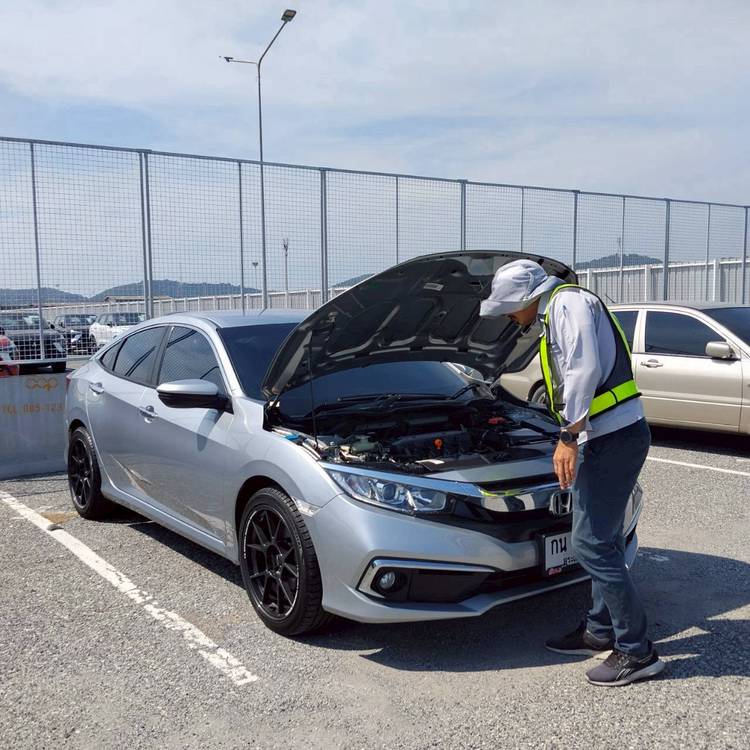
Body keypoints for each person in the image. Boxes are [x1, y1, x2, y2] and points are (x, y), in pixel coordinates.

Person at [479, 258, 664, 687]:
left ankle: (637, 651)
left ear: (527, 297)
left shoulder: (568, 304)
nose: (508, 317)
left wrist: (567, 435)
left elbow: (584, 369)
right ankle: (599, 631)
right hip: (604, 437)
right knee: (602, 538)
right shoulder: (555, 310)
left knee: (590, 543)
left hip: (614, 437)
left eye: (508, 308)